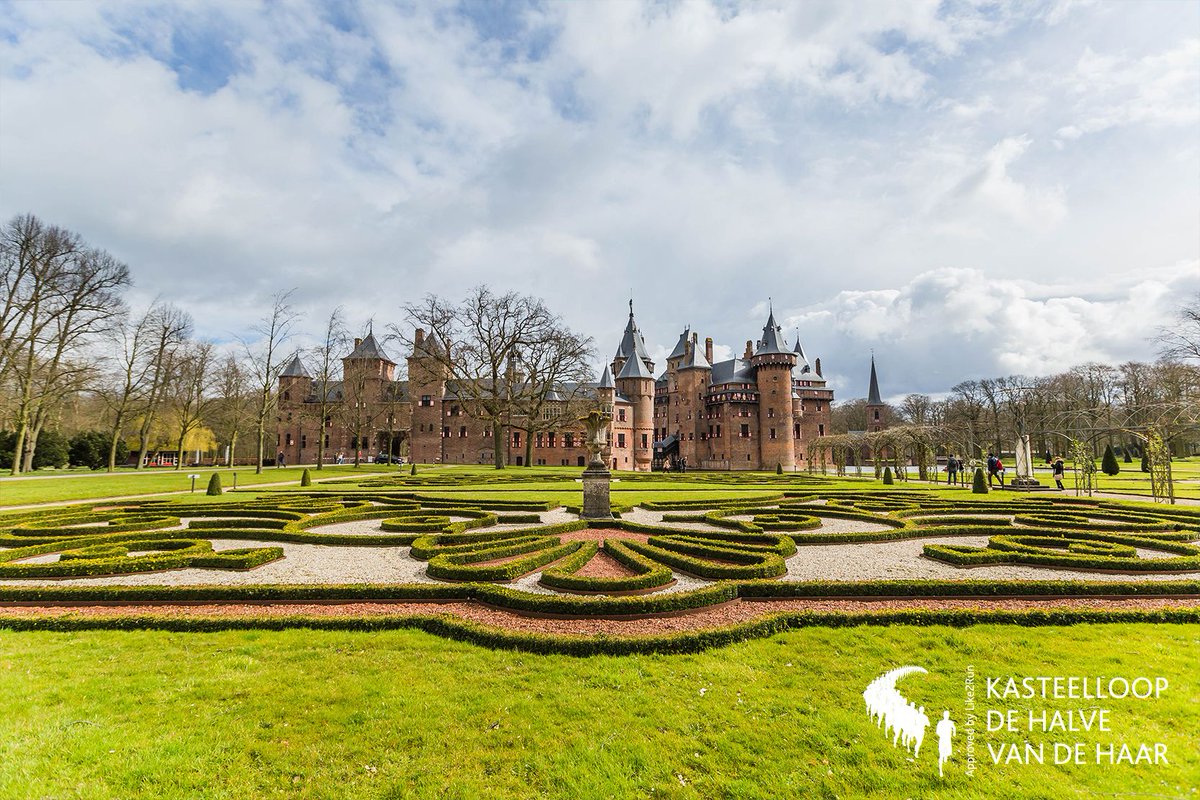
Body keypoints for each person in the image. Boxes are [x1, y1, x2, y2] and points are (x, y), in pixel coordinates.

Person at [936, 711, 957, 778]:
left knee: (948, 752)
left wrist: (954, 733)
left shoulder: (950, 722)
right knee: (941, 755)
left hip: (948, 740)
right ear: (943, 715)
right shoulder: (941, 723)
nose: (946, 716)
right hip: (943, 739)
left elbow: (954, 728)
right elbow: (937, 731)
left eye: (947, 715)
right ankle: (940, 771)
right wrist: (942, 735)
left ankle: (945, 758)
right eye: (945, 715)